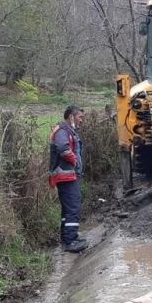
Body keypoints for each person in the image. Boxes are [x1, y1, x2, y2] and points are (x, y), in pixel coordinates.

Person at [48, 105, 88, 253]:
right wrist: (74, 161)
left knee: (68, 209)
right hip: (66, 176)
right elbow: (63, 148)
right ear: (71, 116)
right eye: (80, 117)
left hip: (69, 175)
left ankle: (69, 237)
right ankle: (70, 242)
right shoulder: (63, 131)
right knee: (72, 207)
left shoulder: (68, 131)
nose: (81, 120)